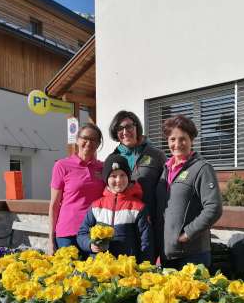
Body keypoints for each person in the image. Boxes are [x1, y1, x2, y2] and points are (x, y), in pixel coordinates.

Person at [156, 115, 223, 269]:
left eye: (183, 139)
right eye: (172, 139)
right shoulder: (165, 169)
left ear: (191, 139)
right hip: (167, 253)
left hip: (192, 254)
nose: (177, 144)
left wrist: (188, 233)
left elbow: (214, 208)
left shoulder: (202, 168)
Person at [107, 111, 166, 251]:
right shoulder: (113, 158)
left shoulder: (157, 155)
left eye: (129, 126)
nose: (125, 131)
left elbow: (165, 191)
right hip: (122, 227)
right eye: (120, 128)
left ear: (137, 127)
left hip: (149, 223)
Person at [77, 154, 151, 262]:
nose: (118, 180)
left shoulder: (138, 207)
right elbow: (82, 233)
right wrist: (90, 244)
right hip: (100, 267)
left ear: (128, 177)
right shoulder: (96, 206)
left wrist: (143, 266)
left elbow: (146, 241)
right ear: (106, 179)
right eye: (113, 176)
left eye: (122, 175)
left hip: (126, 269)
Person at [48, 123, 104, 254]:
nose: (88, 143)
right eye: (85, 138)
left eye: (93, 139)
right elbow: (54, 205)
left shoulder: (103, 167)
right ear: (77, 140)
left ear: (98, 143)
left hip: (93, 233)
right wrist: (50, 239)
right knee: (67, 273)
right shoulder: (62, 165)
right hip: (67, 233)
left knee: (94, 273)